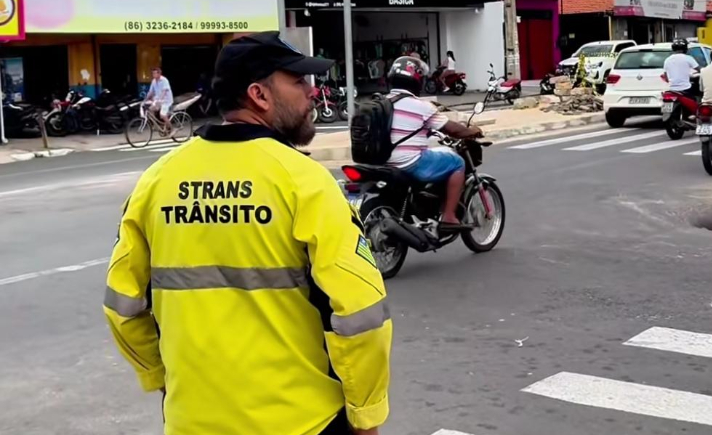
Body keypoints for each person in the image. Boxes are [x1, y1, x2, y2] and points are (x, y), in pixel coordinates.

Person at [104, 32, 392, 435]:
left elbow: (122, 306)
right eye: (298, 81)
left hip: (193, 422)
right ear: (259, 95)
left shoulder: (156, 181)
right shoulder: (303, 181)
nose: (312, 92)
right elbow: (361, 314)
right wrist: (367, 414)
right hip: (300, 422)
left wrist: (161, 378)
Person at [385, 56, 482, 228]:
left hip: (383, 161)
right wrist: (471, 131)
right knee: (457, 163)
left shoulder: (382, 103)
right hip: (409, 162)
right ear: (417, 81)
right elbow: (453, 130)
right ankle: (449, 216)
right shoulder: (421, 106)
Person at [145, 67, 174, 133]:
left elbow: (164, 92)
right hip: (158, 100)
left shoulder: (164, 80)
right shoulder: (153, 81)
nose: (153, 75)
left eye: (155, 73)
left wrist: (159, 100)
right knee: (150, 110)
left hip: (166, 101)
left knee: (162, 115)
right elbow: (151, 92)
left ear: (159, 74)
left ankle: (172, 129)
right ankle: (156, 125)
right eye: (152, 73)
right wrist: (145, 99)